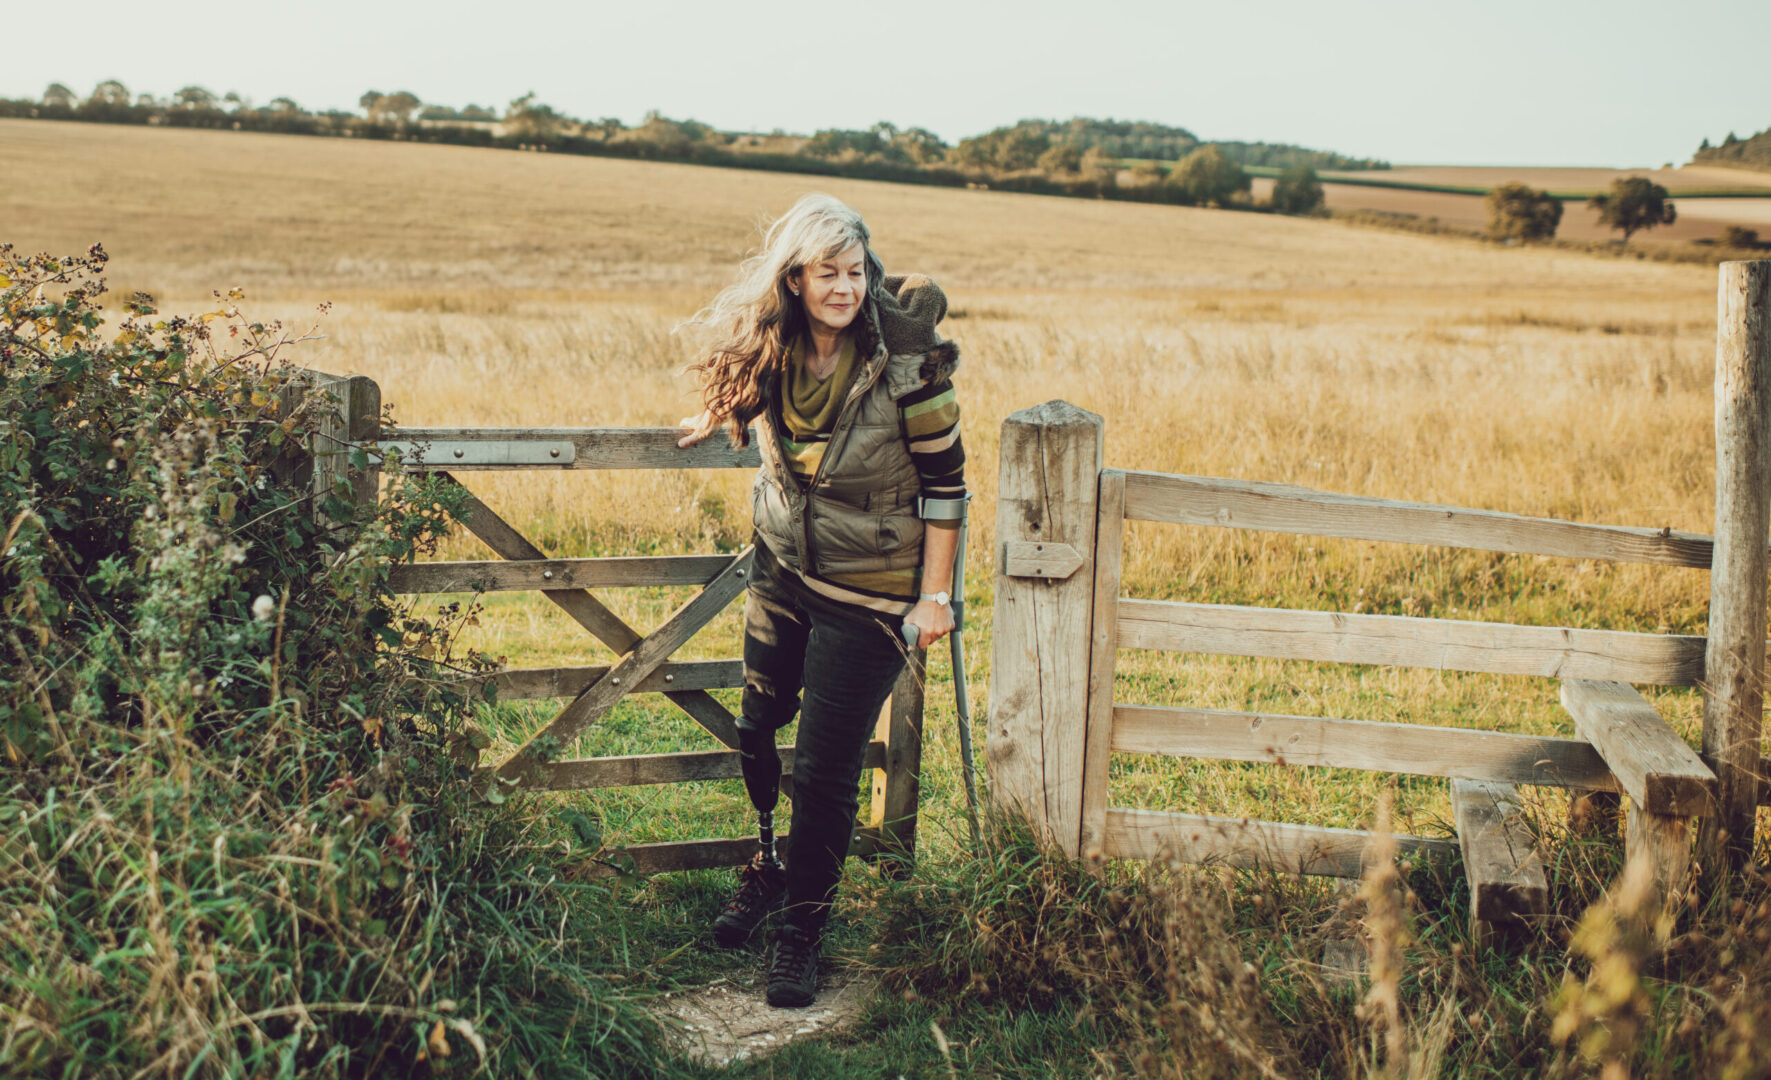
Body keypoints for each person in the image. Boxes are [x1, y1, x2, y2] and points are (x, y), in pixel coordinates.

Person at [676, 193, 965, 1008]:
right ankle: (767, 868)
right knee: (756, 724)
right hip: (784, 570)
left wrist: (933, 597)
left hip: (871, 597)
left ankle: (801, 934)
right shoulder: (773, 348)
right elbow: (752, 394)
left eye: (855, 271)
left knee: (826, 770)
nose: (844, 287)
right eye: (827, 273)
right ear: (794, 279)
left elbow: (947, 486)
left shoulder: (906, 363)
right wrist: (718, 407)